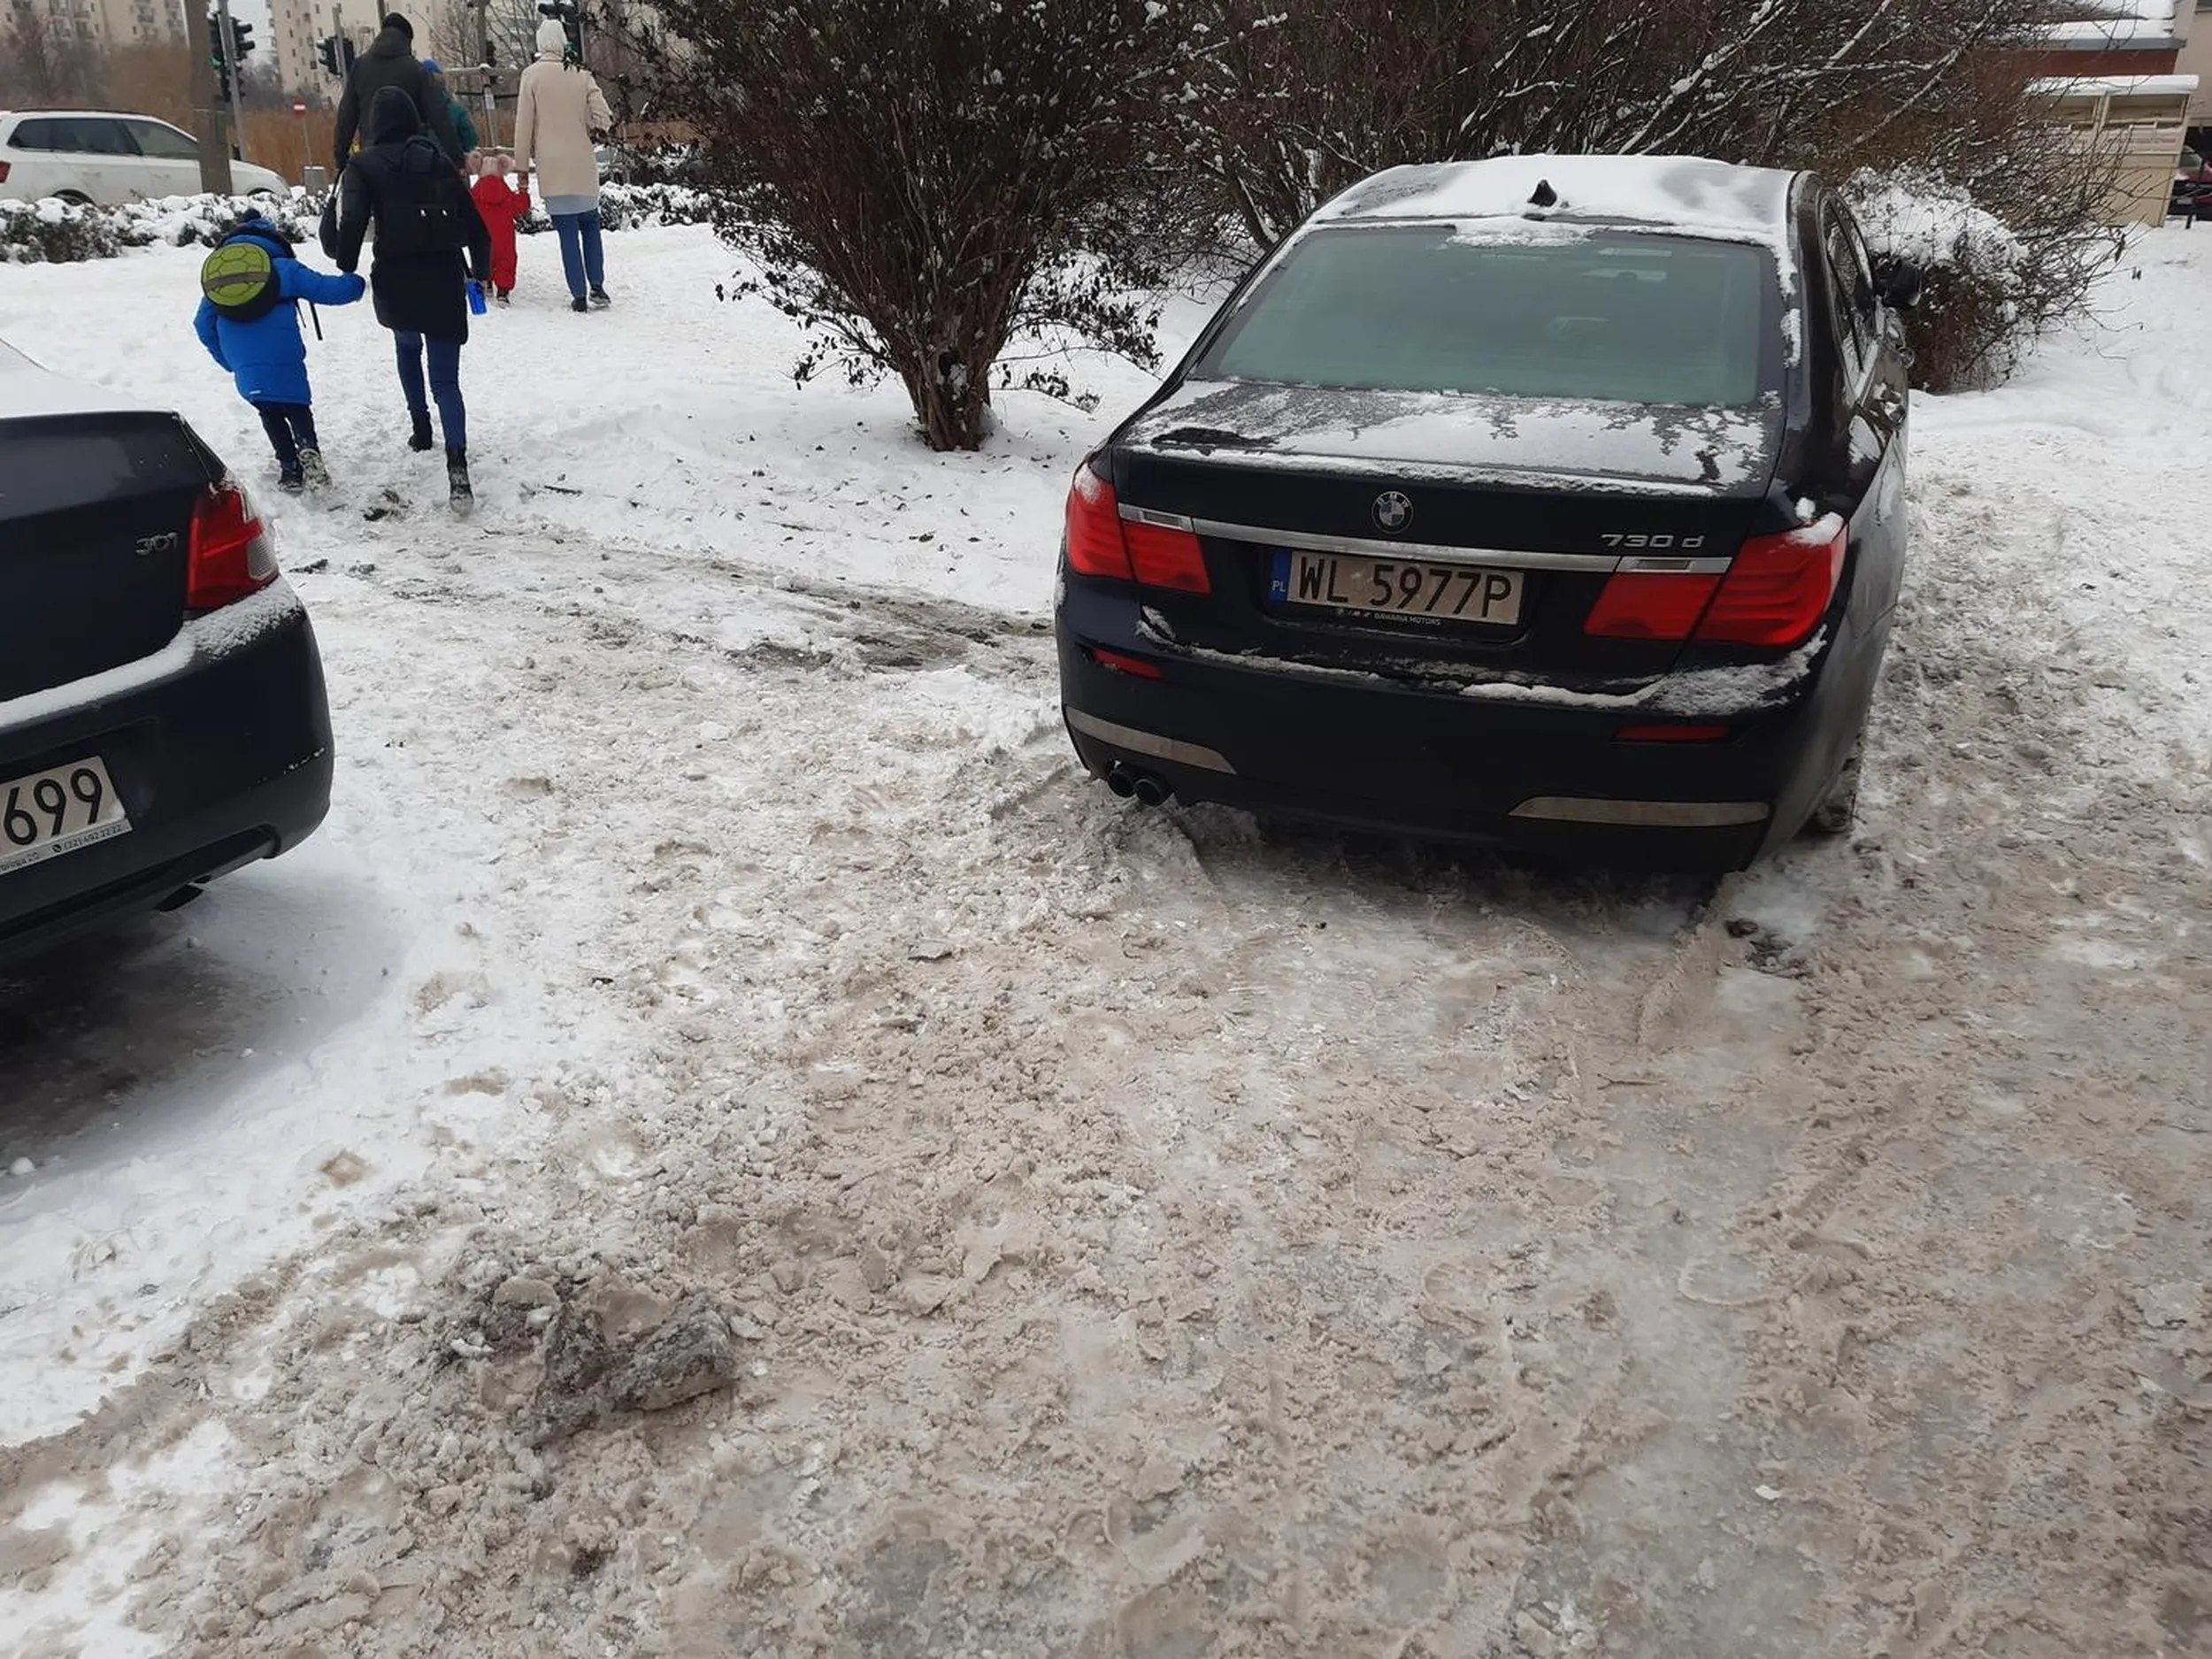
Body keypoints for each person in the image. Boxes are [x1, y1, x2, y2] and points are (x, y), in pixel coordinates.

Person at [335, 87, 494, 515]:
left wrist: (345, 261)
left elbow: (351, 226)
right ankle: (457, 466)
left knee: (407, 347)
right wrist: (480, 273)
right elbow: (477, 229)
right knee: (447, 380)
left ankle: (421, 428)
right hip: (443, 278)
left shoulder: (362, 166)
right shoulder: (438, 162)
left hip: (397, 278)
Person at [193, 216, 367, 494]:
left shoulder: (221, 279)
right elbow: (327, 289)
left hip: (243, 360)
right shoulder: (283, 268)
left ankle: (289, 467)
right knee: (296, 405)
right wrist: (356, 283)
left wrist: (229, 361)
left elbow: (202, 325)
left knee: (268, 409)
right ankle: (308, 450)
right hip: (282, 351)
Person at [513, 19, 614, 314]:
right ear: (563, 42)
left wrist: (521, 169)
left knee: (567, 233)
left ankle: (579, 295)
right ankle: (597, 285)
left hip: (552, 166)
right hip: (582, 163)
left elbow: (523, 126)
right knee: (591, 225)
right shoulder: (581, 75)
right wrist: (591, 125)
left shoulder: (531, 76)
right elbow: (603, 116)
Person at [333, 12, 465, 173]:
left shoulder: (360, 68)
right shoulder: (417, 70)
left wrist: (340, 157)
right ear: (407, 40)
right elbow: (440, 116)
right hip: (412, 158)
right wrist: (457, 159)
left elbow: (346, 116)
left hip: (372, 160)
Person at [470, 154, 532, 304]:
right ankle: (503, 291)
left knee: (484, 258)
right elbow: (521, 206)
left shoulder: (474, 194)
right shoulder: (505, 194)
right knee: (506, 261)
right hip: (504, 238)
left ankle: (487, 281)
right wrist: (523, 190)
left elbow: (464, 210)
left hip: (482, 236)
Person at [419, 59, 480, 158]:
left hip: (419, 166)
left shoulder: (412, 110)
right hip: (452, 165)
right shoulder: (457, 110)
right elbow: (471, 141)